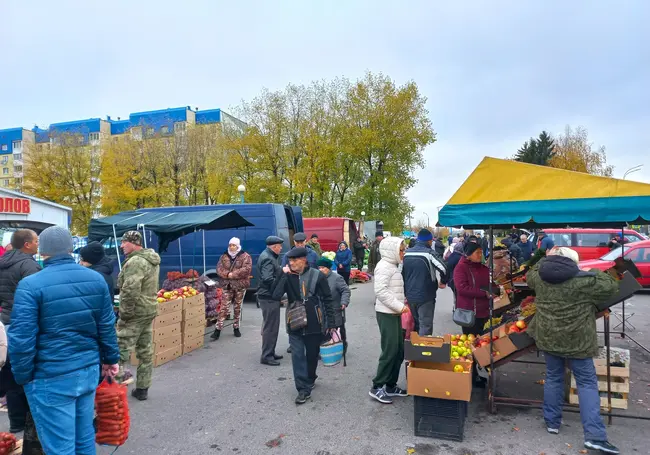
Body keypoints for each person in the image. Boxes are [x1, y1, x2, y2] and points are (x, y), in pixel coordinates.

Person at [8, 226, 119, 454]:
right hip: (87, 370)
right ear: (70, 249)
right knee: (84, 437)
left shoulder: (30, 285)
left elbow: (21, 338)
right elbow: (106, 324)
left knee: (60, 447)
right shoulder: (96, 279)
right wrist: (110, 359)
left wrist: (22, 377)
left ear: (43, 252)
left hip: (50, 375)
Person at [527, 247, 619, 454]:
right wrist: (593, 269)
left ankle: (552, 422)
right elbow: (611, 284)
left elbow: (530, 273)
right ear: (573, 263)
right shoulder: (585, 281)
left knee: (553, 378)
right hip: (578, 343)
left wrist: (545, 259)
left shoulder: (540, 279)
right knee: (586, 384)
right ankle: (595, 436)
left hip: (549, 340)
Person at [272, 248, 337, 404]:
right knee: (297, 356)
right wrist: (282, 275)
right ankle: (303, 389)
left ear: (304, 260)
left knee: (312, 355)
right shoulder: (287, 276)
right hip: (294, 321)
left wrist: (332, 323)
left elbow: (327, 299)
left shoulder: (318, 275)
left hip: (315, 321)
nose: (292, 263)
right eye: (290, 261)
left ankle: (311, 377)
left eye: (295, 260)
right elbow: (275, 295)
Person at [0, 230, 41, 433]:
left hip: (5, 323)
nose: (37, 244)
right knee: (28, 371)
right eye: (36, 241)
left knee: (11, 373)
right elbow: (37, 297)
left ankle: (16, 422)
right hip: (24, 324)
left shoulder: (3, 261)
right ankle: (31, 421)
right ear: (26, 244)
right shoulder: (29, 265)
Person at [115, 230, 161, 401]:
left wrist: (124, 314)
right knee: (145, 350)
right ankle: (142, 388)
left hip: (134, 313)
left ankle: (117, 393)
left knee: (120, 351)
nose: (121, 246)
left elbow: (130, 290)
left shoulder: (136, 262)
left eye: (124, 242)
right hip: (148, 310)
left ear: (134, 243)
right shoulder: (151, 259)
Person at [369, 237, 409, 404]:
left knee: (399, 349)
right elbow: (381, 291)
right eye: (401, 250)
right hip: (387, 313)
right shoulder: (384, 267)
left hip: (396, 313)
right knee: (390, 350)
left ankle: (391, 385)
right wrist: (400, 306)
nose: (403, 253)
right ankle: (377, 386)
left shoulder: (394, 265)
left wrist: (403, 303)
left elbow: (395, 289)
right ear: (391, 251)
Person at [453, 241, 492, 387]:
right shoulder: (460, 268)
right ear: (468, 255)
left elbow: (488, 284)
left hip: (482, 312)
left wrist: (497, 289)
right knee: (470, 344)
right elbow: (462, 288)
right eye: (477, 252)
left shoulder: (483, 268)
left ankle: (476, 372)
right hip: (468, 313)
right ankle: (471, 375)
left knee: (480, 343)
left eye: (481, 252)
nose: (480, 255)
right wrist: (483, 293)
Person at [402, 229, 448, 336]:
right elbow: (444, 268)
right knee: (425, 325)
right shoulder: (429, 253)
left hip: (409, 295)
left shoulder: (406, 254)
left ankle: (413, 348)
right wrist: (443, 281)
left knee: (415, 323)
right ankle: (423, 349)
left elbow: (400, 273)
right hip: (426, 295)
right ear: (429, 241)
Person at [212, 237, 252, 340]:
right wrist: (227, 274)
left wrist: (232, 274)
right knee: (224, 307)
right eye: (230, 245)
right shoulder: (224, 256)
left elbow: (246, 269)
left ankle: (236, 327)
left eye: (234, 245)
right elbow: (219, 269)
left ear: (238, 246)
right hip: (227, 285)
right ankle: (217, 329)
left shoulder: (245, 256)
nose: (231, 247)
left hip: (240, 286)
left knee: (237, 308)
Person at [257, 236, 285, 366]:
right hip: (268, 297)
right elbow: (268, 278)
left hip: (269, 296)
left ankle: (270, 352)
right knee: (270, 327)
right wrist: (279, 284)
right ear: (274, 247)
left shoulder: (270, 256)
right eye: (280, 246)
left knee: (272, 326)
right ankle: (267, 356)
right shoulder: (268, 258)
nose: (281, 248)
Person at [317, 257, 351, 352]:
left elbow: (345, 290)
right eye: (319, 268)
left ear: (329, 268)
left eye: (323, 267)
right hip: (322, 309)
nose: (321, 270)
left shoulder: (337, 278)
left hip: (335, 308)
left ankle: (342, 345)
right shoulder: (317, 278)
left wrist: (344, 302)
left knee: (338, 328)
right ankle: (326, 347)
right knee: (324, 328)